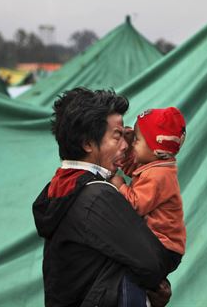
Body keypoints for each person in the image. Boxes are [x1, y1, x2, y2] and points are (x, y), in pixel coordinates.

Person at [32, 87, 173, 307]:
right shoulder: (97, 196)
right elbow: (154, 261)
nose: (126, 145)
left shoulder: (60, 188)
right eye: (117, 136)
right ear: (88, 143)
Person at [110, 107, 187, 301]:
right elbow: (131, 166)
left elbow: (134, 205)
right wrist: (129, 142)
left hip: (162, 247)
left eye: (136, 139)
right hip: (157, 245)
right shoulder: (155, 165)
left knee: (127, 272)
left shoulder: (159, 175)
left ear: (156, 149)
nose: (131, 144)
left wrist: (119, 185)